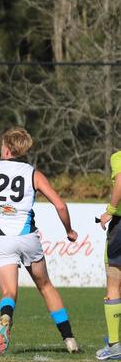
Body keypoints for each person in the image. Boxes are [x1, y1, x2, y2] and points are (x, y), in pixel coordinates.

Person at [0, 127, 79, 355]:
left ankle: (6, 318)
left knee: (9, 292)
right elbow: (60, 205)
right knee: (46, 286)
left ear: (7, 148)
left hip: (1, 239)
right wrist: (69, 230)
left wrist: (0, 213)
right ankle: (69, 340)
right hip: (27, 236)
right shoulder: (33, 174)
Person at [96, 151, 121, 360]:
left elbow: (120, 180)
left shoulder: (118, 157)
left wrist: (110, 210)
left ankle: (115, 346)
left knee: (114, 286)